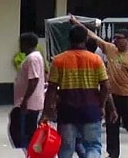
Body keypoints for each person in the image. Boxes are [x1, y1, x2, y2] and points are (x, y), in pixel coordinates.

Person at [75, 17, 128, 158]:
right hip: (113, 96)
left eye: (119, 38)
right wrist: (76, 23)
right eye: (115, 38)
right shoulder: (110, 49)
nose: (116, 40)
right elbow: (93, 36)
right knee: (112, 126)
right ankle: (113, 154)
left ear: (127, 39)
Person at [43, 25, 116, 158]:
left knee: (66, 148)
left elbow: (51, 89)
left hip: (67, 111)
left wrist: (46, 112)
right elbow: (106, 86)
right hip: (91, 110)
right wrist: (102, 105)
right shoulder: (95, 60)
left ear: (69, 39)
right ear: (86, 39)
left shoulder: (58, 60)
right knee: (93, 146)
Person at [9, 33, 46, 150]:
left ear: (26, 44)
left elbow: (34, 80)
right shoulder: (35, 56)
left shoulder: (32, 58)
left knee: (25, 133)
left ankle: (30, 152)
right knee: (23, 130)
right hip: (28, 102)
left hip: (29, 104)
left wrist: (25, 100)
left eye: (21, 43)